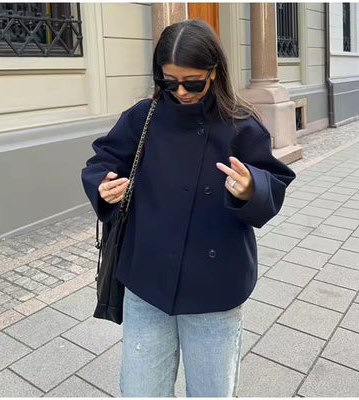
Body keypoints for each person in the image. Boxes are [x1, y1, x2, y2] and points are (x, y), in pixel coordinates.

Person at [81, 18, 295, 398]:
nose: (180, 91)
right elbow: (103, 160)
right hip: (147, 281)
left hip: (214, 289)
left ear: (214, 72)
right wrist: (103, 185)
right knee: (140, 391)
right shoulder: (142, 117)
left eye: (192, 82)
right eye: (169, 82)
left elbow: (273, 182)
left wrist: (251, 188)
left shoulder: (240, 125)